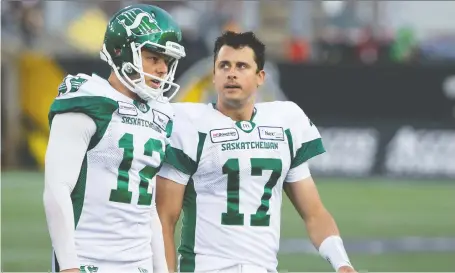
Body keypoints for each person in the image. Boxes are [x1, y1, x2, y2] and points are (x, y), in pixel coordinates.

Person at [156, 31, 356, 273]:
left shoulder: (285, 122)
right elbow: (163, 220)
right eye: (224, 65)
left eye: (242, 66)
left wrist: (342, 263)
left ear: (260, 77)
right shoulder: (189, 124)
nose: (231, 73)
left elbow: (314, 213)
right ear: (214, 75)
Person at [43, 4, 186, 273]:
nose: (162, 70)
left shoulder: (161, 113)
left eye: (166, 62)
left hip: (139, 261)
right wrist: (69, 265)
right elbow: (56, 189)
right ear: (122, 51)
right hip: (89, 258)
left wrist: (161, 269)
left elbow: (147, 208)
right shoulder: (90, 99)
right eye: (153, 58)